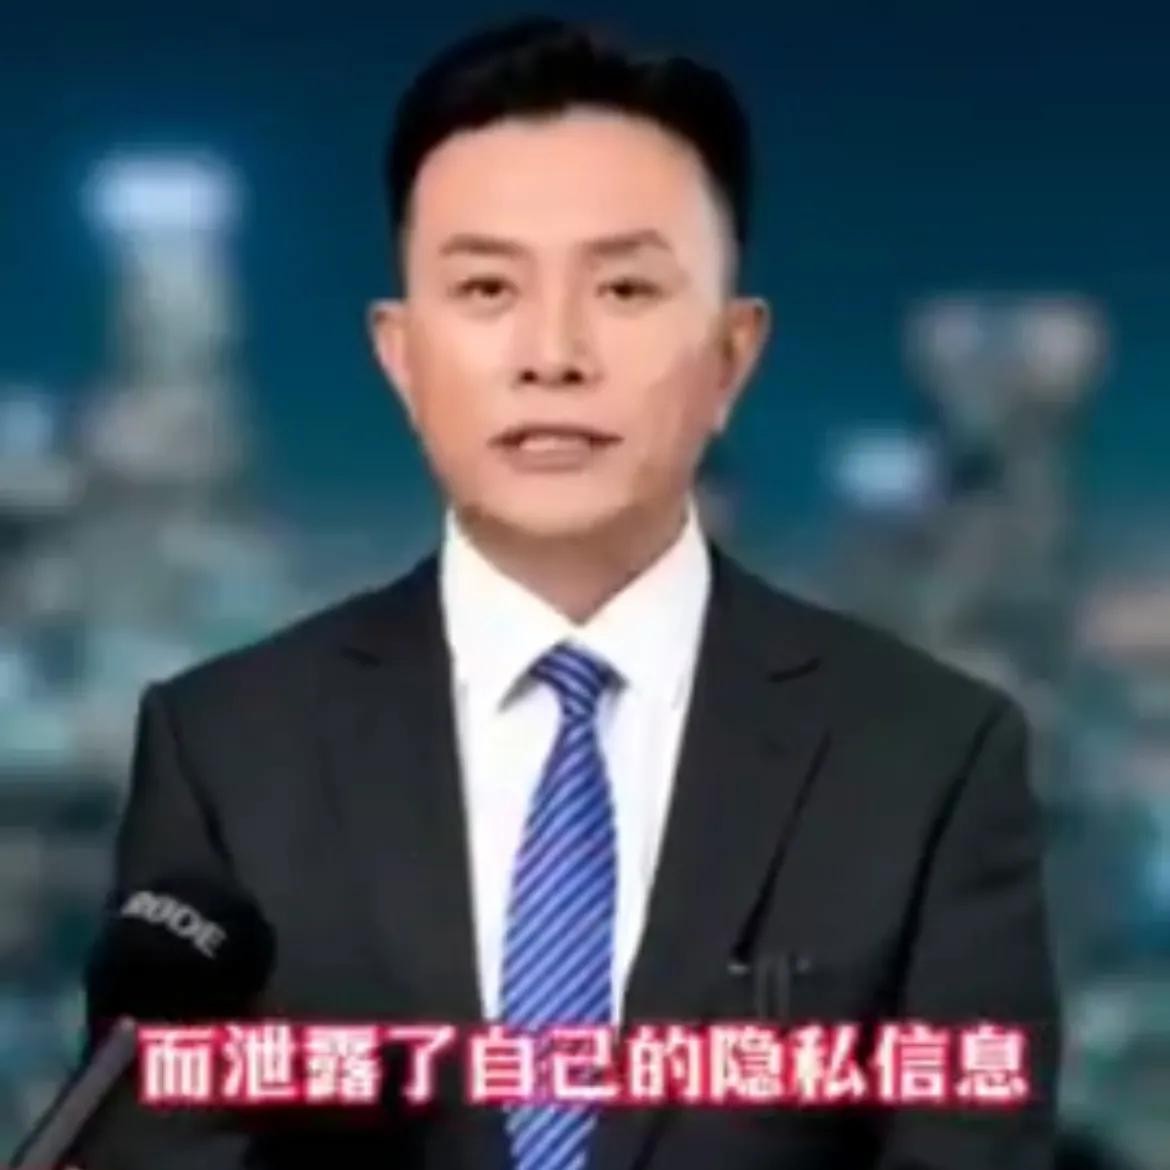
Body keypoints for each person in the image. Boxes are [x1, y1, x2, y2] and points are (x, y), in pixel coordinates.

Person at [75, 16, 1062, 1170]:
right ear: (401, 355)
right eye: (487, 287)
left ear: (732, 355)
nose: (553, 354)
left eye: (626, 288)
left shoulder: (929, 757)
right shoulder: (227, 748)